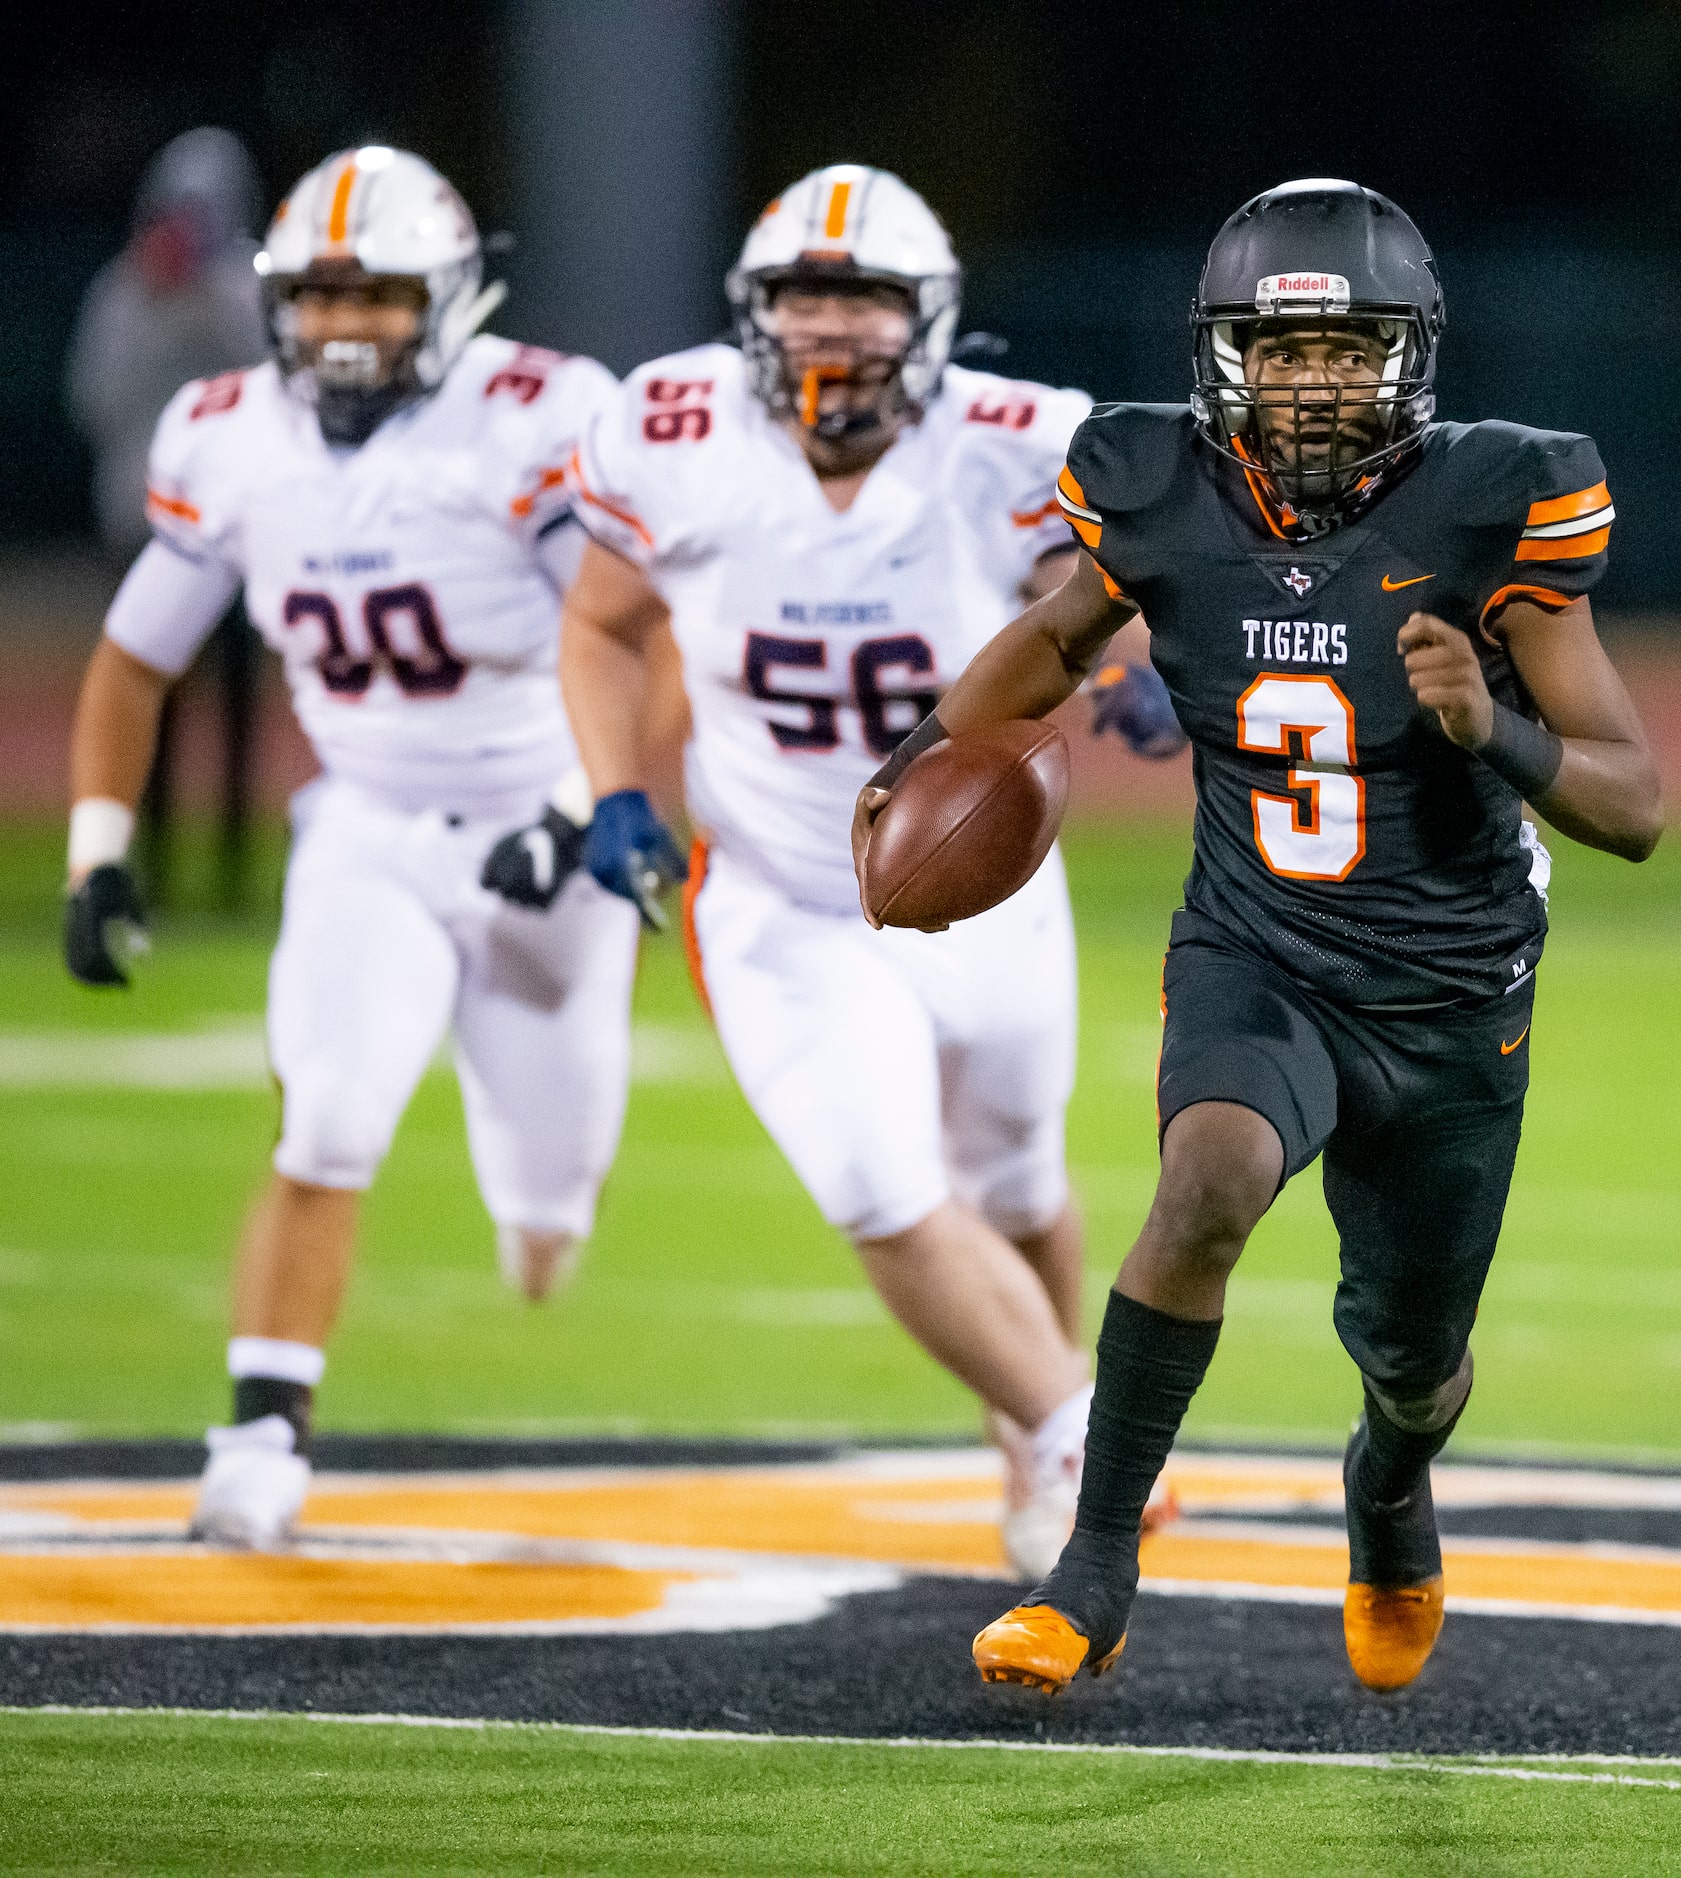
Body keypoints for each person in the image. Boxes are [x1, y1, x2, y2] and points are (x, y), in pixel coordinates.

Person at [852, 178, 1663, 1691]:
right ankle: (1091, 1565)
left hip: (1448, 987)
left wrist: (1496, 728)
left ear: (1408, 356)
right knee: (1208, 1172)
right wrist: (913, 768)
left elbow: (1635, 803)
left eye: (1347, 348)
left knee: (1415, 1358)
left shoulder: (1497, 504)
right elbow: (1039, 651)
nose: (1311, 382)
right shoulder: (1156, 487)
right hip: (1260, 947)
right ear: (1225, 357)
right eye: (1279, 352)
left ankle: (1388, 1478)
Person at [488, 165, 1178, 1576]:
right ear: (757, 312)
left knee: (1022, 1181)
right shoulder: (673, 429)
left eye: (864, 297)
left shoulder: (1011, 440)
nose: (831, 325)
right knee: (877, 1184)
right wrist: (616, 789)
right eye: (805, 293)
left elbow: (1158, 576)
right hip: (784, 891)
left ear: (926, 320)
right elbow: (603, 624)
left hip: (979, 879)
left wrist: (1146, 666)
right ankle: (1079, 1440)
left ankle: (1040, 1466)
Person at [63, 146, 635, 1547]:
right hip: (368, 822)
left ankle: (544, 1205)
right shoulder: (232, 435)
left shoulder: (532, 416)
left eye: (375, 299)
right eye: (317, 299)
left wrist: (576, 811)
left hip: (540, 817)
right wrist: (99, 848)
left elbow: (630, 636)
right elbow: (136, 661)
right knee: (324, 1115)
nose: (341, 328)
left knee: (552, 1191)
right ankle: (261, 1431)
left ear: (447, 297)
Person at [66, 128, 272, 907]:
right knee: (148, 683)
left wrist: (204, 308)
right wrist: (155, 311)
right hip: (144, 520)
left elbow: (272, 388)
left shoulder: (249, 290)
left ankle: (231, 865)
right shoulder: (123, 291)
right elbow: (96, 400)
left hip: (240, 524)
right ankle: (141, 855)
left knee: (240, 707)